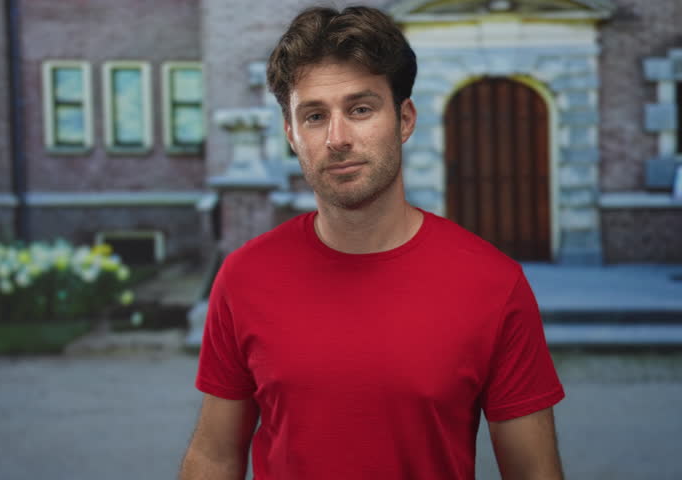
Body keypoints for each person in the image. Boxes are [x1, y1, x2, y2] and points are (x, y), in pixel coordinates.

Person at [179, 6, 565, 480]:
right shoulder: (244, 277)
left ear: (404, 120)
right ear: (291, 135)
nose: (337, 138)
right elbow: (215, 456)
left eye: (360, 109)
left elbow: (534, 473)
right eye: (314, 116)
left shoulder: (493, 283)